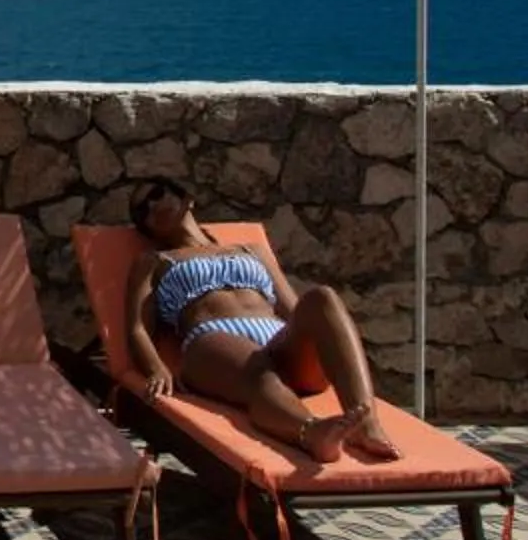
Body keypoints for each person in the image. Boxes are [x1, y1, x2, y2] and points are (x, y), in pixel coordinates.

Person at [122, 177, 399, 463]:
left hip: (278, 341)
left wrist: (315, 339)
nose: (152, 206)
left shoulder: (252, 251)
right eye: (142, 210)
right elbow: (137, 328)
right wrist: (156, 369)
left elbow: (294, 310)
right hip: (212, 342)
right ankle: (311, 432)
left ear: (188, 198)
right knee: (260, 373)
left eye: (157, 194)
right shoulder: (154, 261)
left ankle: (367, 424)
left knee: (323, 297)